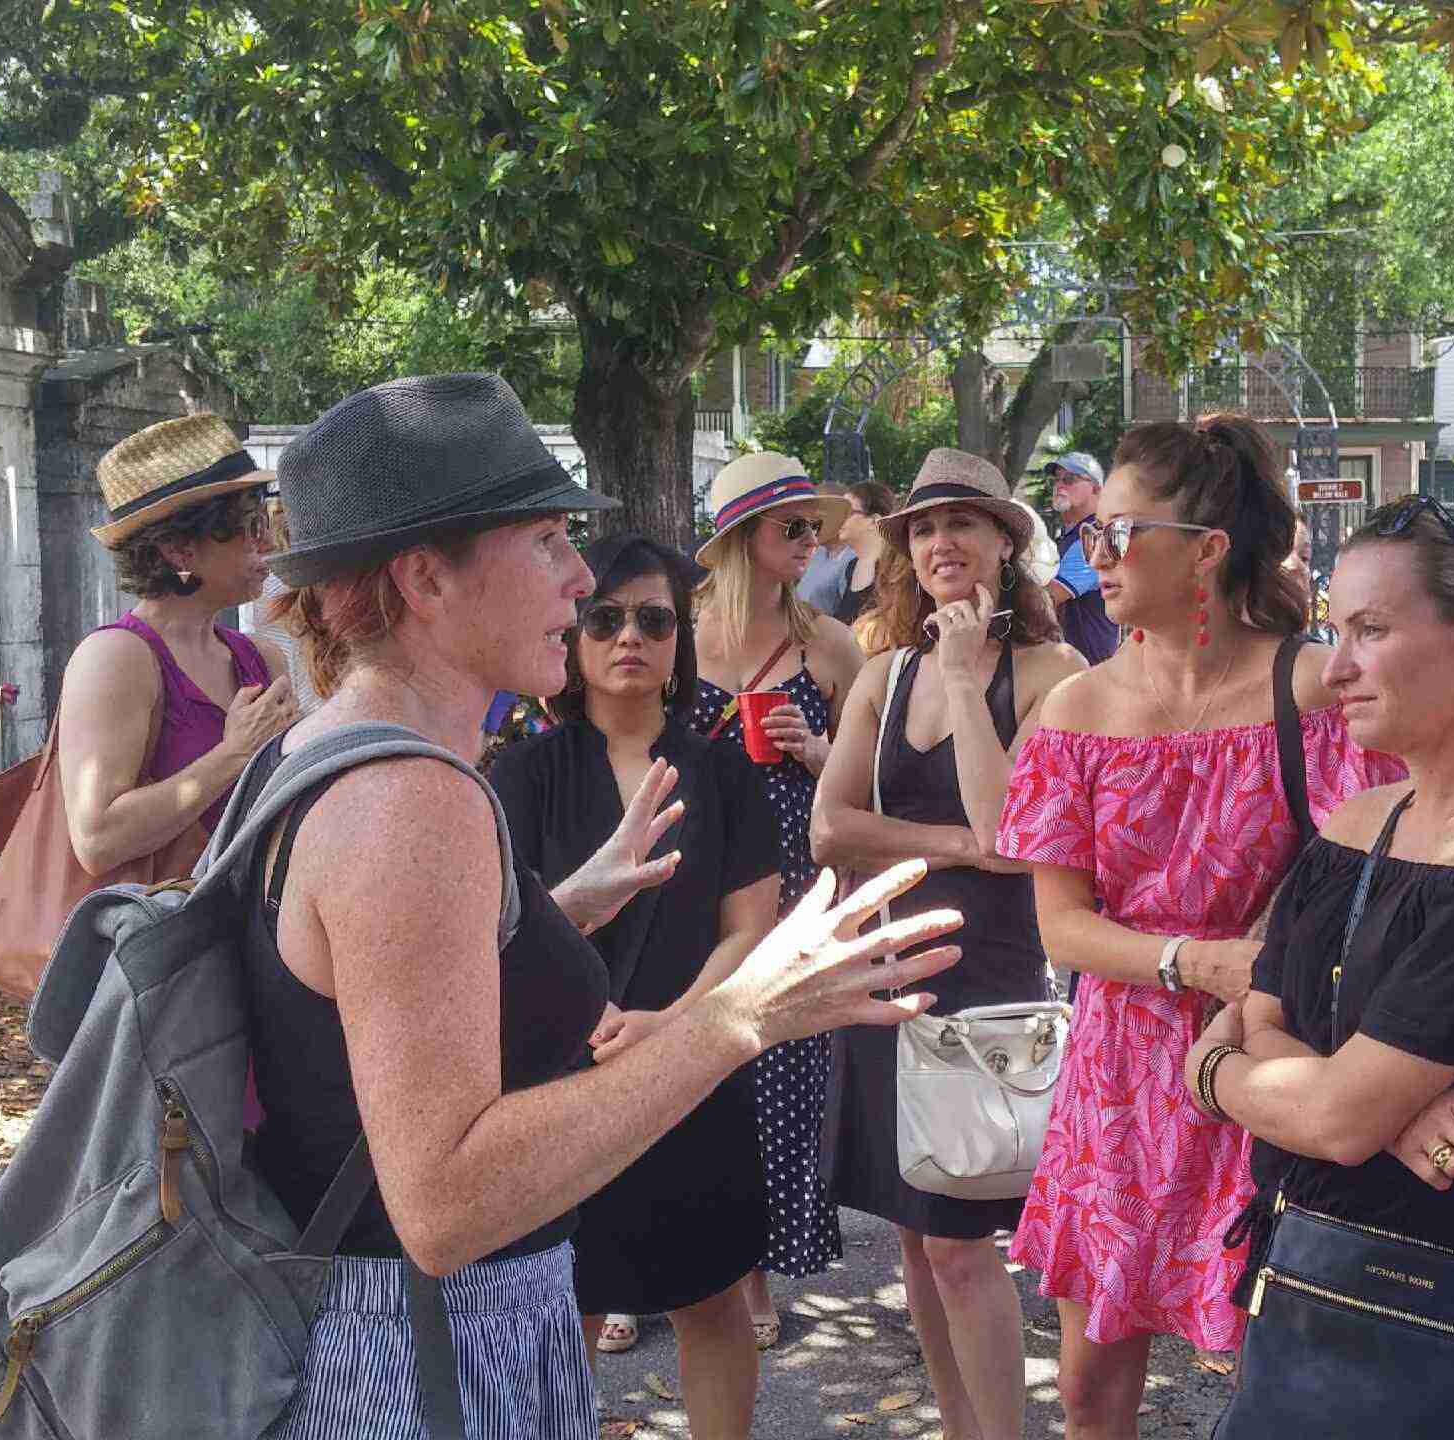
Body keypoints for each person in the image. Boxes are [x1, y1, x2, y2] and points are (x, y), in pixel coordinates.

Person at [235, 374, 959, 1439]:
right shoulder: (409, 802)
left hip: (395, 1335)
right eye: (544, 540)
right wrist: (745, 1013)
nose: (579, 578)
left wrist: (557, 911)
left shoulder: (324, 749)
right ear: (427, 577)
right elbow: (444, 1203)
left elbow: (366, 1004)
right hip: (418, 1361)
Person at [996, 416, 1400, 1438]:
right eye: (1092, 535)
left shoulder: (1309, 690)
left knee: (1275, 1378)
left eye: (1119, 531)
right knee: (1090, 1395)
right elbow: (1062, 930)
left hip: (1275, 1059)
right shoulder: (1076, 712)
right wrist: (1192, 959)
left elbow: (1392, 871)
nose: (1096, 553)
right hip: (1120, 1076)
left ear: (1206, 549)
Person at [1194, 495, 1454, 1424]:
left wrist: (1212, 1070)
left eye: (1372, 630)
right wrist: (1373, 1107)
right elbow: (1266, 1014)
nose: (1336, 668)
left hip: (1447, 1321)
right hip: (1307, 1274)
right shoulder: (1358, 822)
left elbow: (1319, 1102)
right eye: (1335, 630)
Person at [809, 452, 1085, 1440]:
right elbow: (829, 828)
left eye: (964, 524)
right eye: (923, 529)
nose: (940, 544)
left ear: (1007, 546)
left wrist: (968, 684)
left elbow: (1016, 834)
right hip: (885, 985)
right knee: (918, 1248)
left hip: (993, 986)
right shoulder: (880, 673)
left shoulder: (1055, 675)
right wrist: (957, 846)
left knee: (965, 1246)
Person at [487, 534, 777, 1434]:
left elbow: (751, 930)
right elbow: (500, 932)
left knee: (711, 1296)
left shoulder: (726, 772)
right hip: (558, 1079)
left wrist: (679, 1027)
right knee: (557, 1301)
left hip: (694, 1069)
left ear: (679, 639)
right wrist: (586, 1017)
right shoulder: (521, 773)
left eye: (654, 620)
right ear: (571, 638)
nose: (630, 638)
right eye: (604, 618)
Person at [681, 451, 869, 1344]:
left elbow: (865, 791)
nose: (812, 540)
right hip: (691, 880)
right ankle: (667, 1271)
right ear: (739, 540)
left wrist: (811, 751)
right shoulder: (670, 631)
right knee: (688, 1072)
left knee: (775, 1077)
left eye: (815, 526)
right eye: (791, 526)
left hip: (794, 882)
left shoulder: (829, 643)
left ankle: (749, 1273)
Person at [58, 414, 296, 876]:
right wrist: (237, 752)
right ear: (179, 549)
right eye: (249, 526)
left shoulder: (263, 658)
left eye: (263, 520)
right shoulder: (116, 658)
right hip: (160, 939)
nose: (266, 542)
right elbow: (97, 839)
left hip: (251, 935)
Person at [1040, 451, 1120, 663]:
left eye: (1069, 479)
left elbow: (1047, 597)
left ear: (1096, 488)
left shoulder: (1097, 536)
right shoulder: (1067, 538)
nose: (1059, 485)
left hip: (1091, 674)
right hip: (1068, 671)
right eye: (1056, 479)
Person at [801, 479, 894, 626]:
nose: (839, 519)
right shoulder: (851, 568)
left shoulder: (893, 567)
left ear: (873, 520)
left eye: (847, 513)